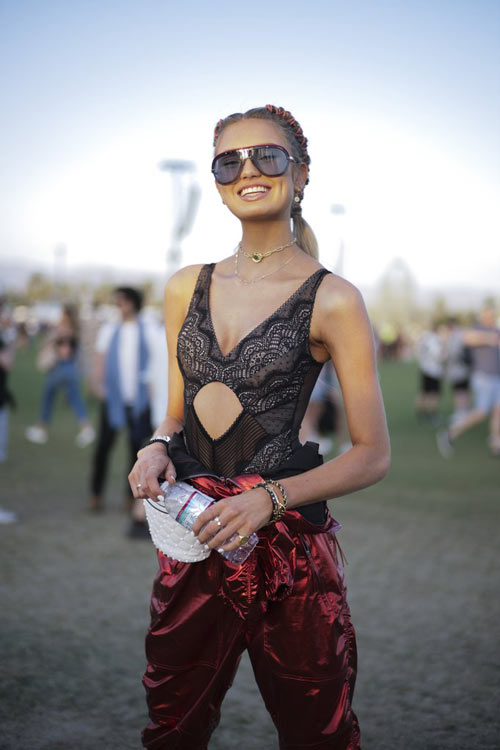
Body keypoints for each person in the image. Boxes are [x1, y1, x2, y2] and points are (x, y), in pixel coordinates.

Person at [129, 105, 390, 749]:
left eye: (267, 155)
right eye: (229, 160)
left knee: (316, 731)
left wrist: (266, 499)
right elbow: (174, 410)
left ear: (299, 175)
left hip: (288, 555)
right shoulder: (183, 287)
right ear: (216, 181)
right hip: (193, 540)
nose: (248, 169)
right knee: (173, 721)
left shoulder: (334, 298)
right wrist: (157, 447)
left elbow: (372, 454)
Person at [89, 286, 157, 527]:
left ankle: (130, 497)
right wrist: (98, 386)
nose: (119, 306)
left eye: (123, 301)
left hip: (138, 403)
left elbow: (156, 361)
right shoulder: (110, 329)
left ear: (133, 303)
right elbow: (99, 361)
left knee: (135, 451)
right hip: (114, 401)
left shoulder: (148, 329)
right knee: (103, 448)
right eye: (117, 301)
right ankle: (95, 495)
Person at [25, 305, 95, 447]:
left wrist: (51, 344)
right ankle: (86, 428)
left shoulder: (65, 330)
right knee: (75, 399)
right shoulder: (75, 329)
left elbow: (64, 351)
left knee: (49, 396)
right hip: (71, 368)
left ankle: (41, 428)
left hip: (62, 367)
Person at [437, 303, 500, 457]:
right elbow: (467, 338)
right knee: (481, 412)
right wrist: (489, 338)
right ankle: (450, 433)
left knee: (498, 411)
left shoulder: (496, 330)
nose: (490, 318)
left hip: (496, 377)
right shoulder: (478, 329)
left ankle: (496, 443)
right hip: (482, 377)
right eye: (488, 314)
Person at [414, 322, 446, 426]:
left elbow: (417, 350)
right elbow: (438, 356)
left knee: (423, 392)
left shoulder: (425, 337)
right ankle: (432, 415)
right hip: (434, 371)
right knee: (433, 394)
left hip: (424, 368)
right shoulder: (435, 340)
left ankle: (421, 413)